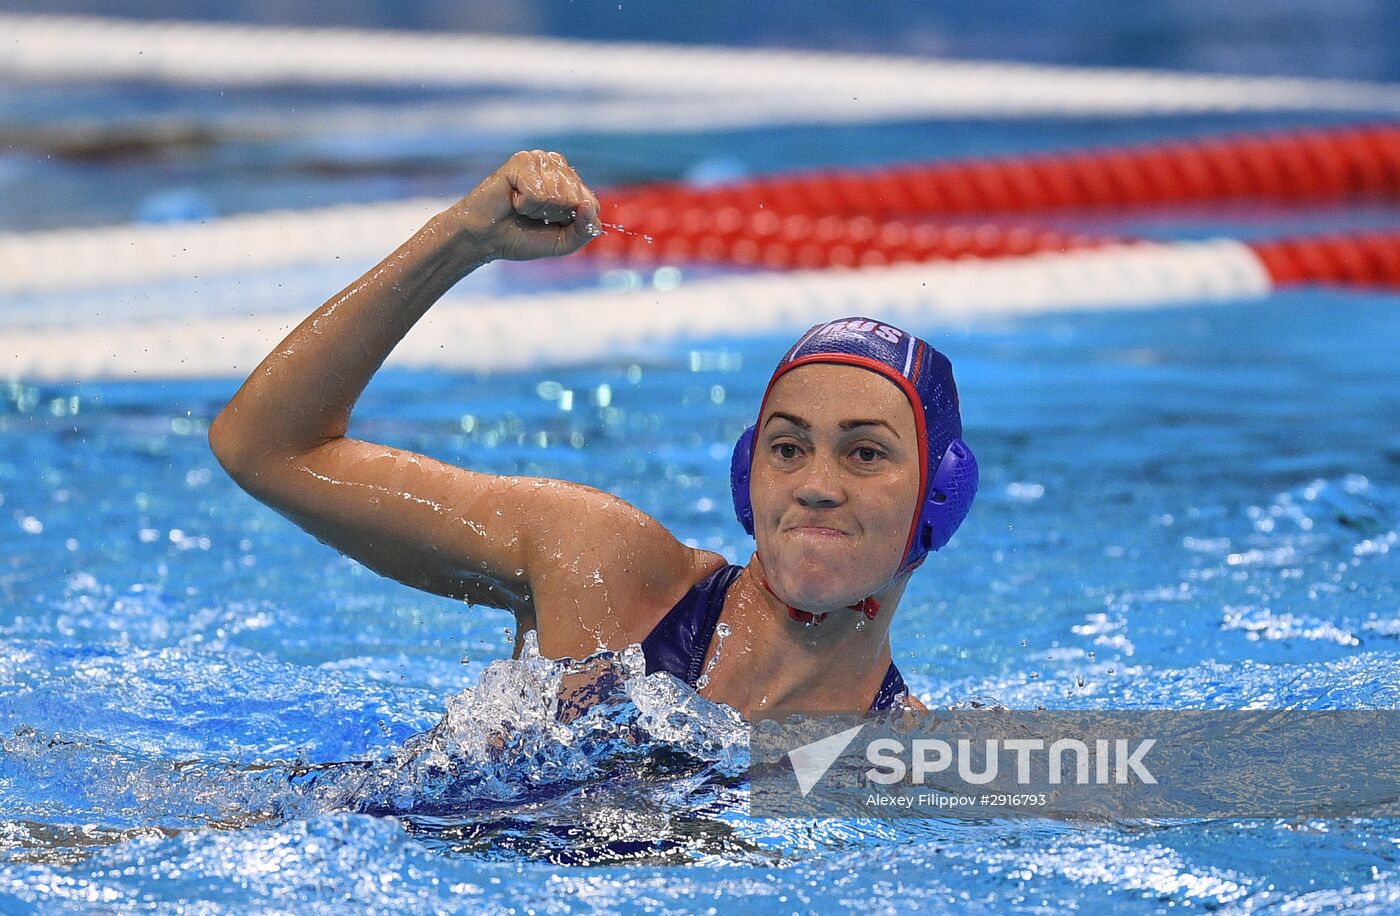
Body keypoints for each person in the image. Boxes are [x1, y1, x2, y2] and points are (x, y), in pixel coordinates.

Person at [209, 150, 977, 720]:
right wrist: (460, 242)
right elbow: (267, 448)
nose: (815, 482)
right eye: (787, 447)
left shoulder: (905, 765)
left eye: (865, 452)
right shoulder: (607, 572)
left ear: (941, 497)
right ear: (749, 474)